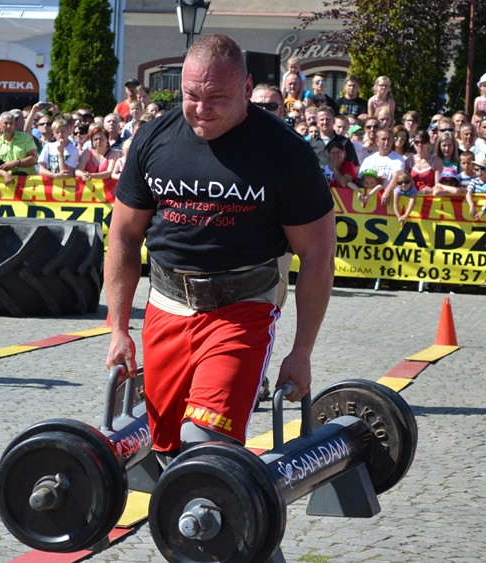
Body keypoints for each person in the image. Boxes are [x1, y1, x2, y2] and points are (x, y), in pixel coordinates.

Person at [104, 33, 336, 468]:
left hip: (241, 310)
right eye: (192, 95)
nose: (201, 109)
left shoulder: (286, 153)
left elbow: (319, 255)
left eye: (217, 97)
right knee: (165, 453)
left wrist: (302, 352)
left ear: (247, 90)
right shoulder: (155, 139)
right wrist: (118, 328)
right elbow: (123, 236)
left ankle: (230, 518)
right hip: (166, 306)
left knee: (205, 448)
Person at [0, 110, 38, 176]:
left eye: (11, 123)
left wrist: (16, 163)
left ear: (15, 124)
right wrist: (5, 174)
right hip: (7, 182)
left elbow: (34, 159)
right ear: (0, 125)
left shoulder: (25, 137)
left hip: (27, 182)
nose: (9, 126)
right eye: (6, 123)